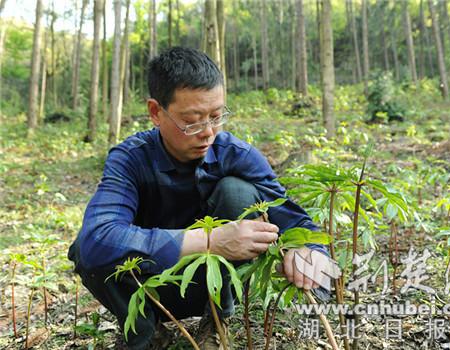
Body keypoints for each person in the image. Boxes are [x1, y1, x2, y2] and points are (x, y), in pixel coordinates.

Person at [68, 47, 329, 350]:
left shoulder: (237, 155)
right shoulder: (130, 159)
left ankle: (217, 322)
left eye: (217, 117)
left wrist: (308, 249)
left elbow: (293, 218)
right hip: (145, 284)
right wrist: (209, 241)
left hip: (209, 284)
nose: (208, 133)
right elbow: (97, 239)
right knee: (87, 250)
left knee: (238, 192)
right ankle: (145, 331)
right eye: (191, 121)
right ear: (155, 112)